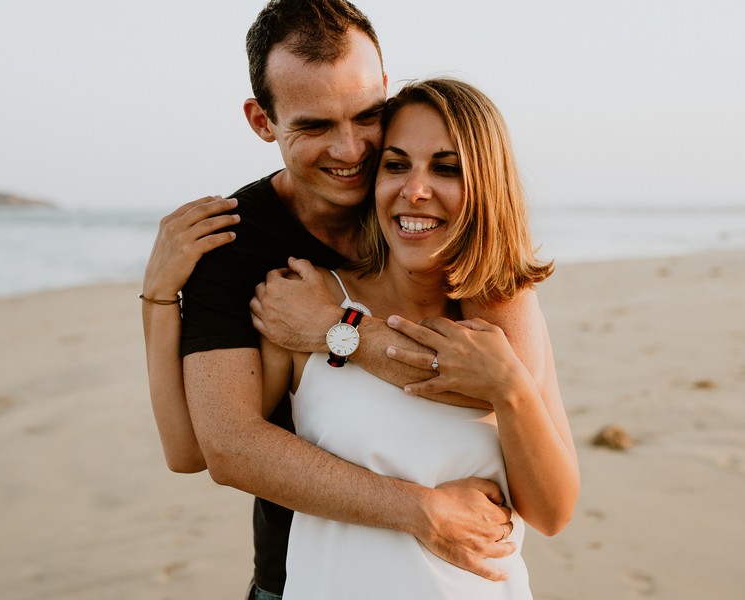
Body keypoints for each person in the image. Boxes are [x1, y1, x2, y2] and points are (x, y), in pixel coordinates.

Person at [141, 1, 562, 597]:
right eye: (314, 126)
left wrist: (340, 331)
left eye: (367, 115)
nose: (351, 152)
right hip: (302, 575)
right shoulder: (234, 247)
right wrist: (157, 299)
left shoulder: (422, 197)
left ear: (386, 92)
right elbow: (216, 447)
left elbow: (505, 380)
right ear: (262, 120)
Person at [252, 77, 579, 599]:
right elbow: (212, 446)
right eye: (397, 164)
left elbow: (553, 512)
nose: (415, 190)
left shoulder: (508, 322)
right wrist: (156, 302)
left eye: (446, 168)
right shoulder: (305, 300)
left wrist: (511, 389)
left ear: (486, 185)